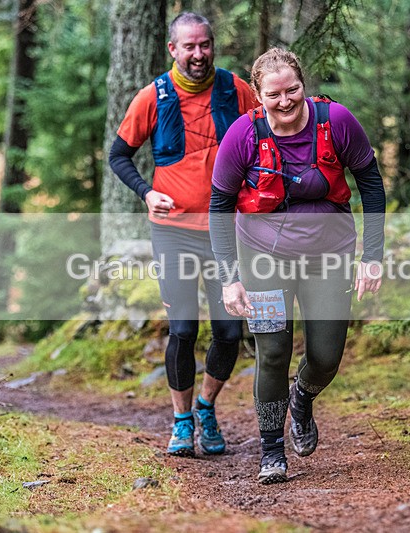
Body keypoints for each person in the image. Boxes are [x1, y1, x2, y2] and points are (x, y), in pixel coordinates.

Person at [208, 47, 386, 483]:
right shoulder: (242, 136)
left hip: (331, 255)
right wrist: (230, 278)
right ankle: (272, 451)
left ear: (303, 85)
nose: (285, 101)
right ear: (258, 95)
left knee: (325, 358)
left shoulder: (336, 122)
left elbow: (371, 184)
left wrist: (373, 257)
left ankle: (302, 398)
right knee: (271, 353)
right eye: (274, 94)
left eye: (293, 90)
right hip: (263, 259)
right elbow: (218, 205)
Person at [108, 12, 257, 457]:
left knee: (230, 331)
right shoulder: (151, 96)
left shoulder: (237, 90)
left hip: (224, 232)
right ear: (172, 49)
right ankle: (180, 421)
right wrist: (146, 192)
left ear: (213, 45)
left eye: (204, 45)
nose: (198, 54)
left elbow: (264, 141)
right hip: (172, 232)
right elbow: (119, 156)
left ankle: (207, 408)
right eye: (188, 46)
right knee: (183, 329)